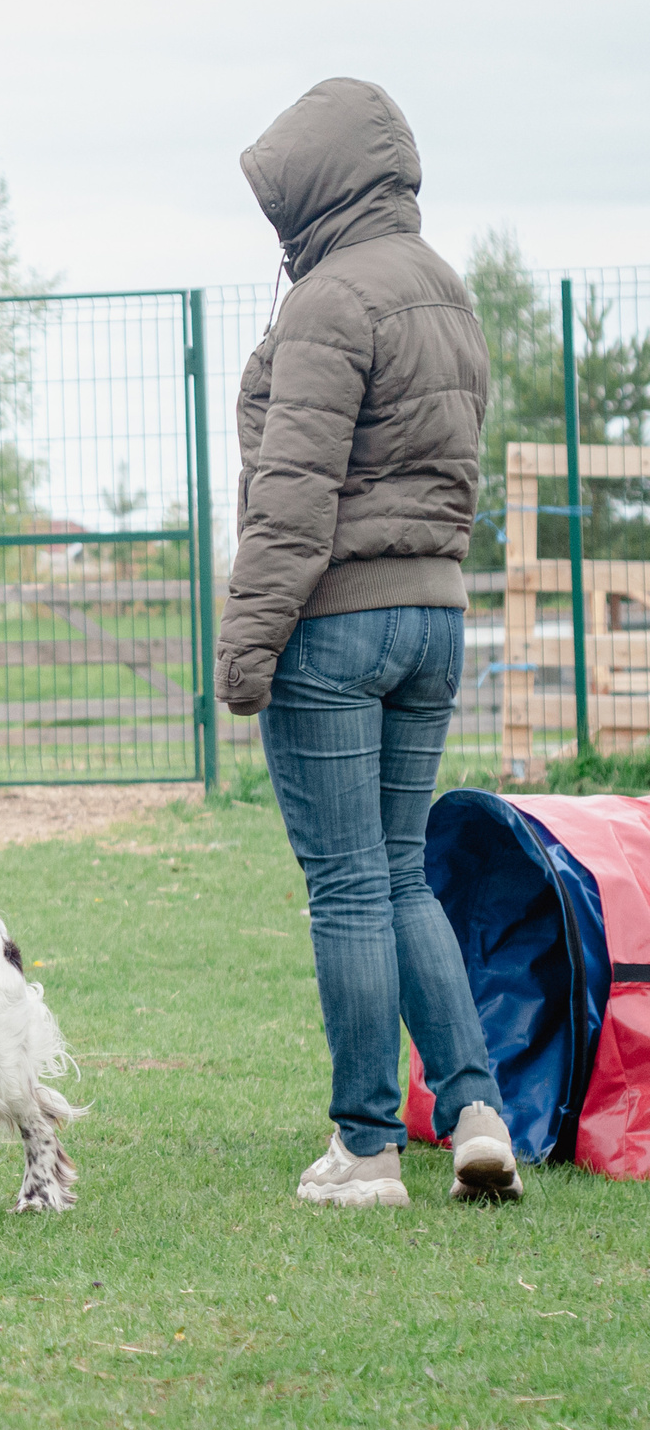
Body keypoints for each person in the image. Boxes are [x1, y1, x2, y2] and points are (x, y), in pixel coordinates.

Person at [219, 79, 522, 1207]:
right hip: (436, 617)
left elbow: (291, 502)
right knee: (403, 877)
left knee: (346, 885)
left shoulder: (327, 303)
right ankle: (477, 1109)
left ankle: (364, 1146)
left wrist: (247, 650)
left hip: (337, 625)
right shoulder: (444, 290)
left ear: (320, 181)